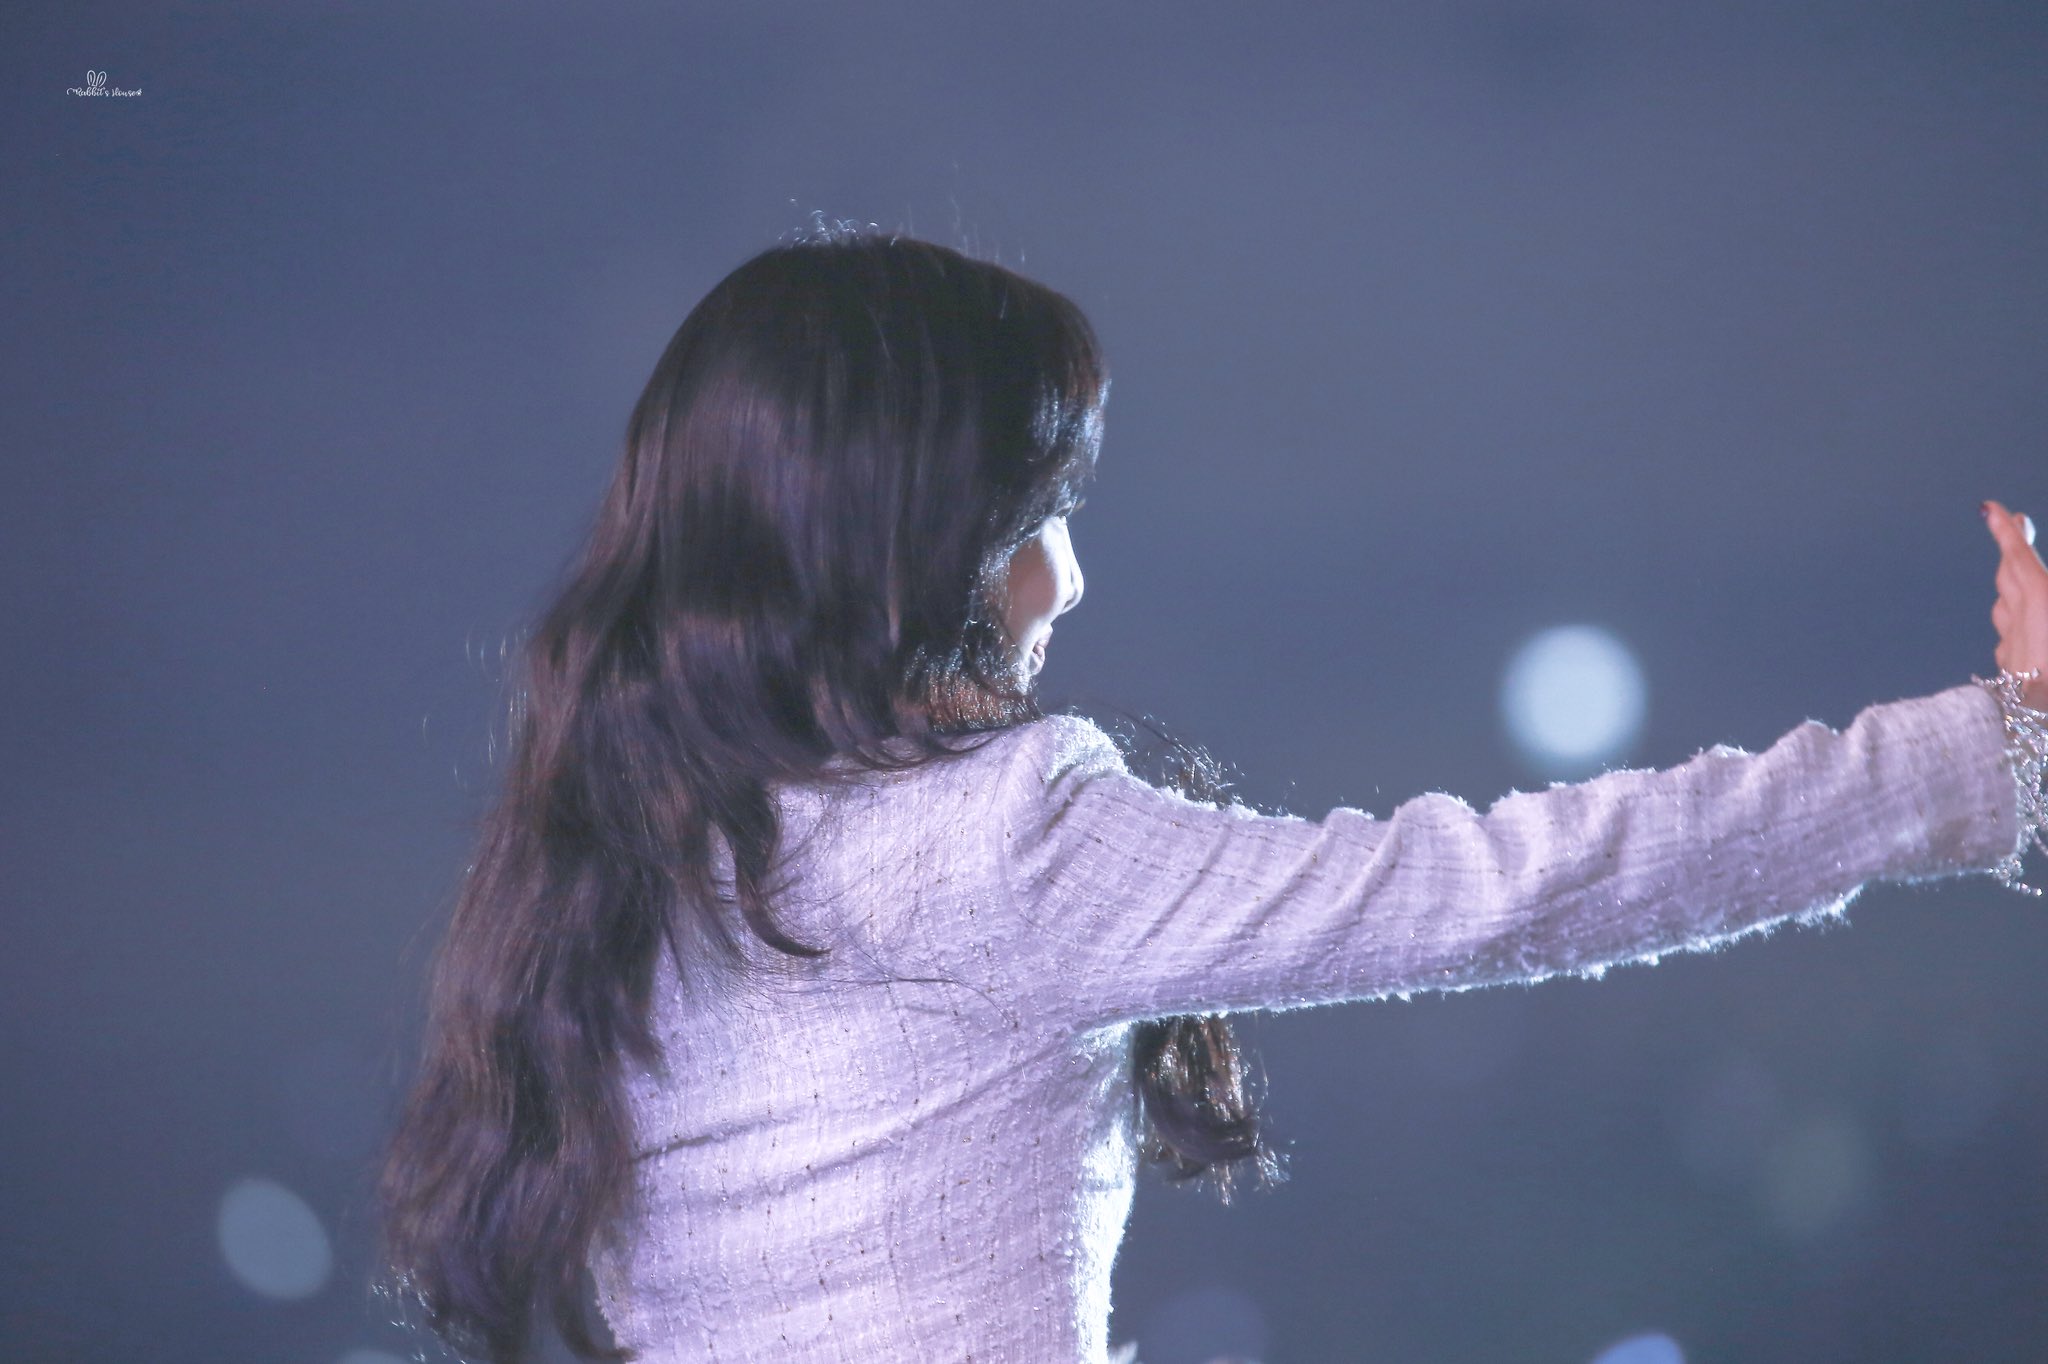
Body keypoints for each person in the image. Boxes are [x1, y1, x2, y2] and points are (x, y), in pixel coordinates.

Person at [376, 227, 2048, 1364]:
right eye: (1031, 519)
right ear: (898, 548)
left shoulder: (612, 856)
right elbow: (1506, 887)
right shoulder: (988, 839)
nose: (1065, 582)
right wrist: (2005, 741)